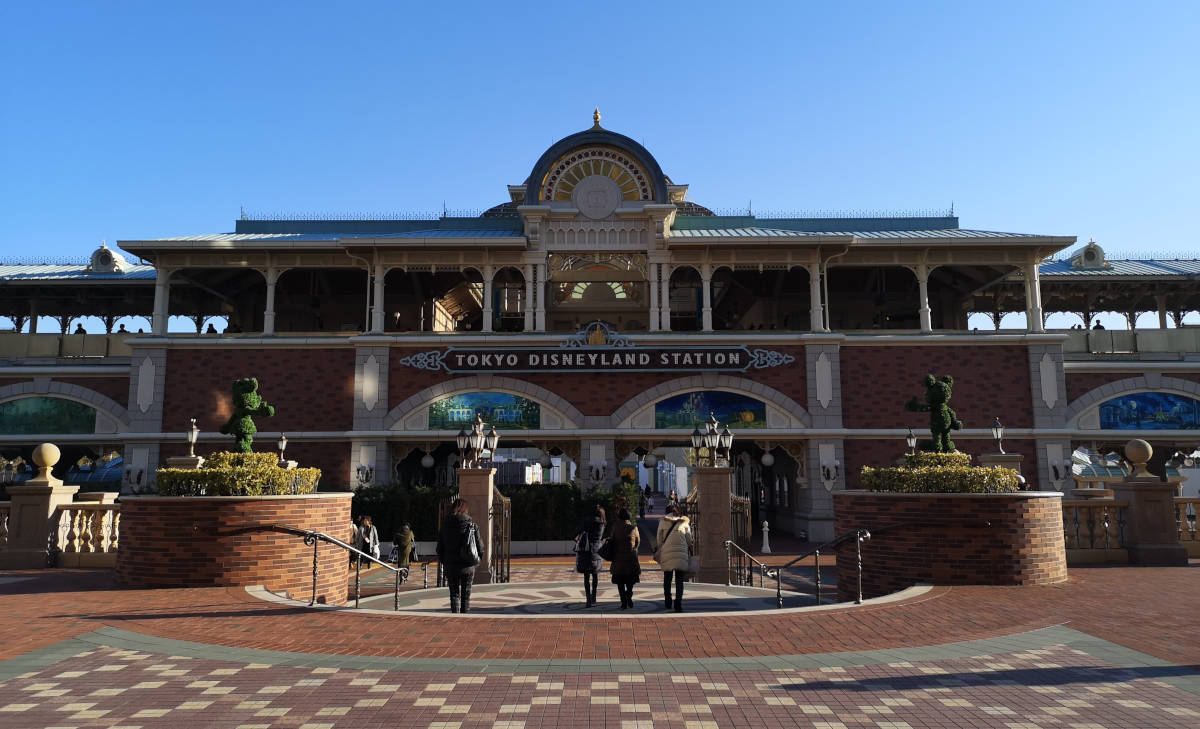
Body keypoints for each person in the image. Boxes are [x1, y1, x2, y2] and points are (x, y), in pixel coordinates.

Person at [436, 497, 484, 613]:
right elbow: (480, 547)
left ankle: (455, 617)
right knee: (466, 595)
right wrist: (476, 561)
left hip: (450, 565)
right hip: (467, 566)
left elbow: (439, 548)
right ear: (465, 509)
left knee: (454, 594)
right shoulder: (471, 525)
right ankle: (464, 617)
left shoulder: (445, 525)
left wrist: (445, 561)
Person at [655, 503, 694, 612]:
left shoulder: (662, 522)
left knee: (667, 578)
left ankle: (668, 601)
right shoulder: (684, 523)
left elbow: (659, 539)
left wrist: (662, 546)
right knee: (679, 580)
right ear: (678, 512)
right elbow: (689, 540)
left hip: (667, 552)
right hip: (681, 554)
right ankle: (678, 603)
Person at [608, 507, 641, 609]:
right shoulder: (633, 528)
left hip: (618, 558)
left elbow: (611, 540)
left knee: (620, 581)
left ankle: (623, 602)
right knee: (630, 580)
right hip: (631, 559)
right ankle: (629, 596)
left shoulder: (615, 527)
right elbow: (638, 542)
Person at [573, 504, 606, 607]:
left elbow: (573, 533)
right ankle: (594, 597)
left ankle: (588, 599)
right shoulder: (602, 522)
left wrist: (578, 540)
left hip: (585, 551)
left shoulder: (586, 521)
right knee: (595, 574)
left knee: (586, 576)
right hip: (597, 550)